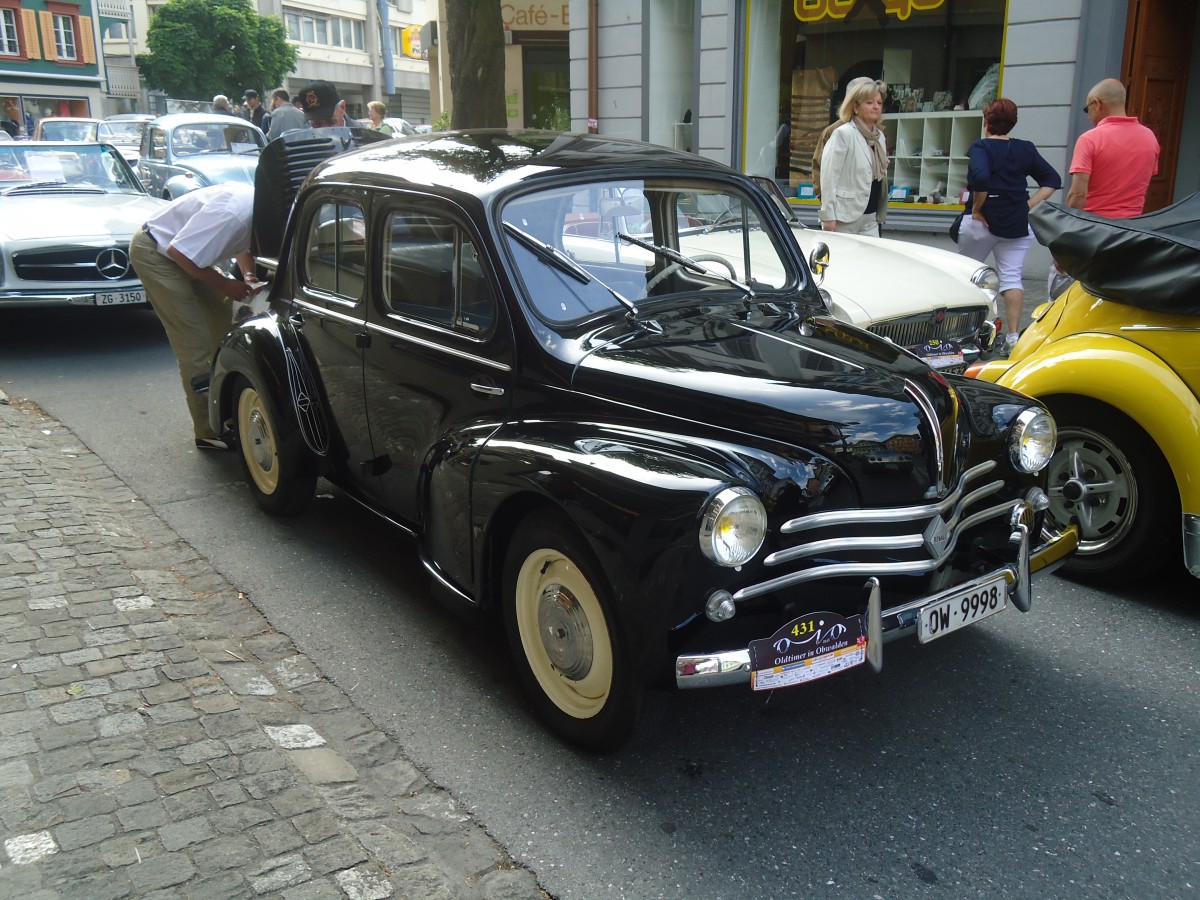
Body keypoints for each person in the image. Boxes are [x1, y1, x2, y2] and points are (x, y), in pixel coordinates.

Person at [130, 183, 259, 450]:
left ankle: (226, 410)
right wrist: (224, 284)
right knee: (194, 343)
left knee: (225, 332)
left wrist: (249, 276)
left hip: (190, 255)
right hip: (157, 253)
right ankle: (208, 431)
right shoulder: (232, 214)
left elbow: (243, 244)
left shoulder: (256, 210)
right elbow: (178, 252)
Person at [956, 98, 1060, 350]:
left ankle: (967, 332)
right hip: (1016, 221)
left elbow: (981, 177)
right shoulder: (1025, 148)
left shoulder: (980, 147)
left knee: (967, 276)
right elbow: (1052, 179)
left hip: (981, 222)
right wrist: (1027, 204)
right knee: (1012, 278)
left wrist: (978, 208)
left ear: (986, 121)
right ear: (1013, 123)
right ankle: (1013, 337)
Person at [1066, 78, 1160, 217]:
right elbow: (1142, 182)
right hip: (1132, 225)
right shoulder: (1150, 137)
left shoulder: (1089, 139)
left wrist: (1066, 222)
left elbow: (1078, 194)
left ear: (1097, 104)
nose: (1088, 116)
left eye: (1087, 109)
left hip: (1094, 224)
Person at [818, 77, 888, 236]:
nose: (876, 107)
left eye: (879, 102)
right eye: (869, 102)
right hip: (844, 216)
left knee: (872, 253)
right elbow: (828, 177)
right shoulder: (844, 134)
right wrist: (828, 216)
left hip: (871, 216)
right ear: (855, 107)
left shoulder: (880, 137)